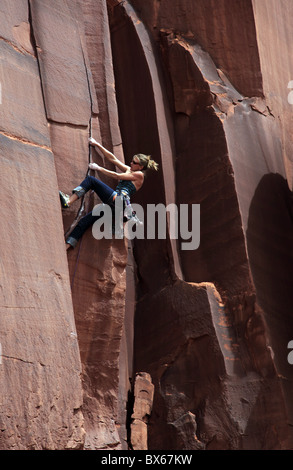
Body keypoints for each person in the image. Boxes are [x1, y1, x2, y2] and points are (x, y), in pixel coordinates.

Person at [59, 137, 158, 249]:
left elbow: (117, 176)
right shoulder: (131, 170)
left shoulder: (139, 175)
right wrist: (97, 144)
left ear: (140, 167)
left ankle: (68, 201)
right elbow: (113, 159)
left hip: (118, 200)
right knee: (86, 220)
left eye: (134, 163)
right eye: (131, 161)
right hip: (115, 206)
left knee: (91, 181)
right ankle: (67, 246)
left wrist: (99, 168)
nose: (131, 163)